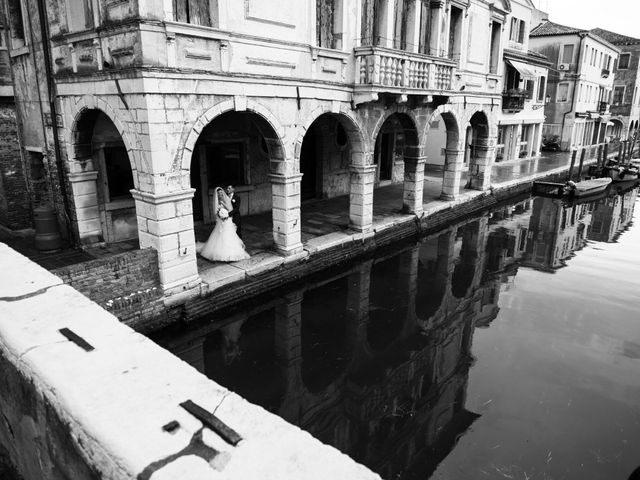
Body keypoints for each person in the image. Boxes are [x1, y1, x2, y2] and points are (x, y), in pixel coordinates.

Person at [197, 187, 249, 262]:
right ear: (217, 195)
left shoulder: (226, 199)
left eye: (221, 193)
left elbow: (230, 209)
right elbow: (216, 212)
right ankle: (219, 253)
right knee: (220, 236)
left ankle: (232, 253)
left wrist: (223, 205)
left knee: (229, 235)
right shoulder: (216, 202)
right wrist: (220, 215)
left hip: (228, 221)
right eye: (219, 194)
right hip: (221, 221)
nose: (220, 195)